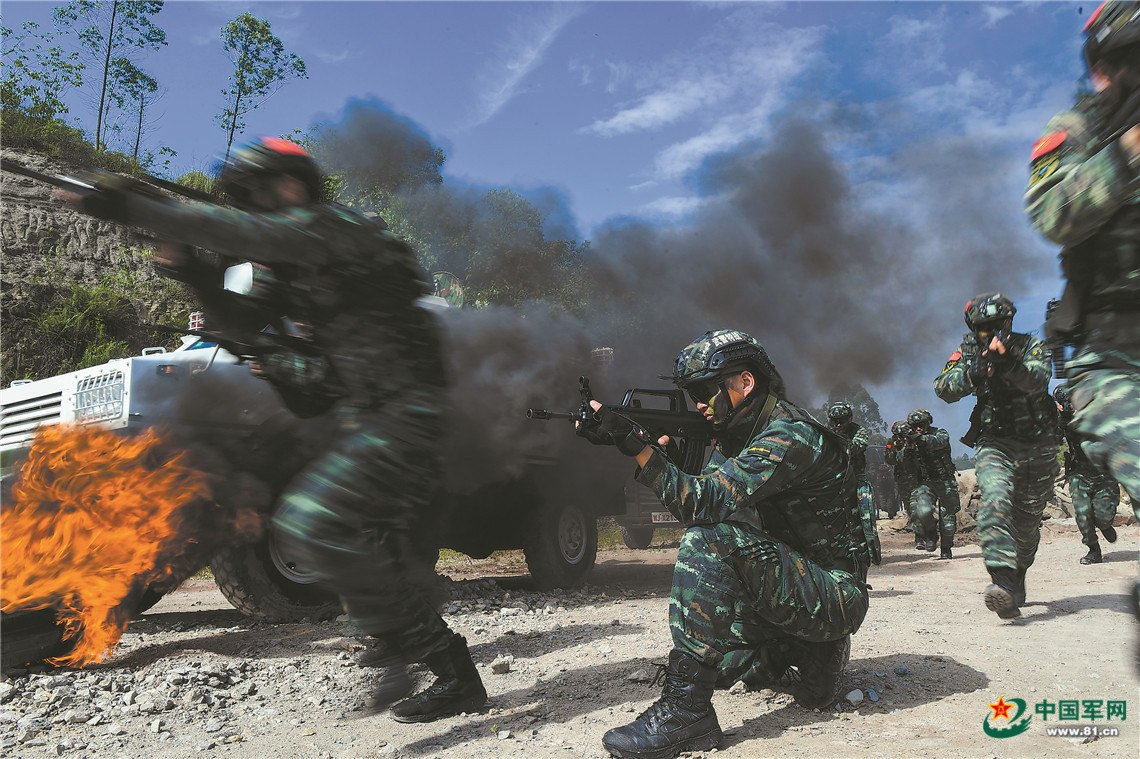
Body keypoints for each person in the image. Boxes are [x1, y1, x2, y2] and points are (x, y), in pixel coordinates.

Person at [58, 137, 486, 722]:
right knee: (359, 542)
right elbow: (238, 324)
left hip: (409, 408)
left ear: (296, 186)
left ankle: (427, 661)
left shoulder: (336, 228)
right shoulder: (282, 266)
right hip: (365, 414)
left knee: (313, 521)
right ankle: (430, 662)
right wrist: (184, 263)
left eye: (265, 190)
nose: (261, 203)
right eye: (251, 196)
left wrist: (139, 206)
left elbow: (254, 236)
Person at [576, 329, 872, 759]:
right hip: (795, 585)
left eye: (703, 391)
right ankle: (812, 653)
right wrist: (658, 455)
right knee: (729, 663)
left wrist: (635, 447)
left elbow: (703, 508)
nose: (697, 404)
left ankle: (686, 712)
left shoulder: (789, 436)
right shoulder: (736, 435)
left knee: (709, 541)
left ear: (744, 382)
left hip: (834, 594)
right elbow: (705, 496)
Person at [1024, 0, 1140, 629]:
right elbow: (1052, 213)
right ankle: (1010, 576)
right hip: (1114, 357)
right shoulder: (1079, 130)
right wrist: (1126, 151)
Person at [933, 293, 1059, 619]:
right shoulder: (969, 352)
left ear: (1009, 322)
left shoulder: (1031, 346)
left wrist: (1008, 364)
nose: (989, 331)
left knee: (1027, 526)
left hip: (1038, 445)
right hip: (996, 443)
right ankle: (1001, 580)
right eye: (982, 327)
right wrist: (972, 373)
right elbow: (943, 387)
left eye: (995, 325)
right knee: (995, 500)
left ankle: (1017, 574)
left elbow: (1038, 380)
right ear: (973, 327)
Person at [1054, 385, 1121, 564]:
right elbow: (1052, 439)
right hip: (1079, 474)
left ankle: (1105, 525)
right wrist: (1063, 418)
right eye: (1065, 403)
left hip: (1104, 475)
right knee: (1083, 513)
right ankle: (1094, 550)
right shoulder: (1063, 420)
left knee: (1103, 517)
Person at [903, 409, 960, 560]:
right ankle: (931, 535)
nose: (919, 428)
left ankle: (946, 548)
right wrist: (907, 447)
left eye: (921, 424)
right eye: (915, 425)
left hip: (945, 481)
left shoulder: (940, 433)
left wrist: (920, 439)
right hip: (926, 482)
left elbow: (939, 442)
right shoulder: (912, 440)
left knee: (948, 521)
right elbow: (900, 460)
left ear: (929, 422)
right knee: (922, 510)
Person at [827, 401, 875, 527]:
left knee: (863, 512)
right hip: (834, 478)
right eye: (834, 421)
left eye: (841, 421)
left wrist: (840, 439)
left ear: (849, 419)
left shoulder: (859, 431)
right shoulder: (826, 432)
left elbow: (858, 447)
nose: (838, 425)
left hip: (856, 478)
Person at [885, 420, 922, 543]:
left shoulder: (915, 439)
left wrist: (911, 445)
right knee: (910, 509)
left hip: (918, 477)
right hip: (903, 480)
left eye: (902, 435)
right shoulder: (892, 442)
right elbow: (890, 460)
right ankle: (919, 536)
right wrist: (896, 448)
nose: (900, 438)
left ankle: (921, 535)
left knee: (919, 507)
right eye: (898, 435)